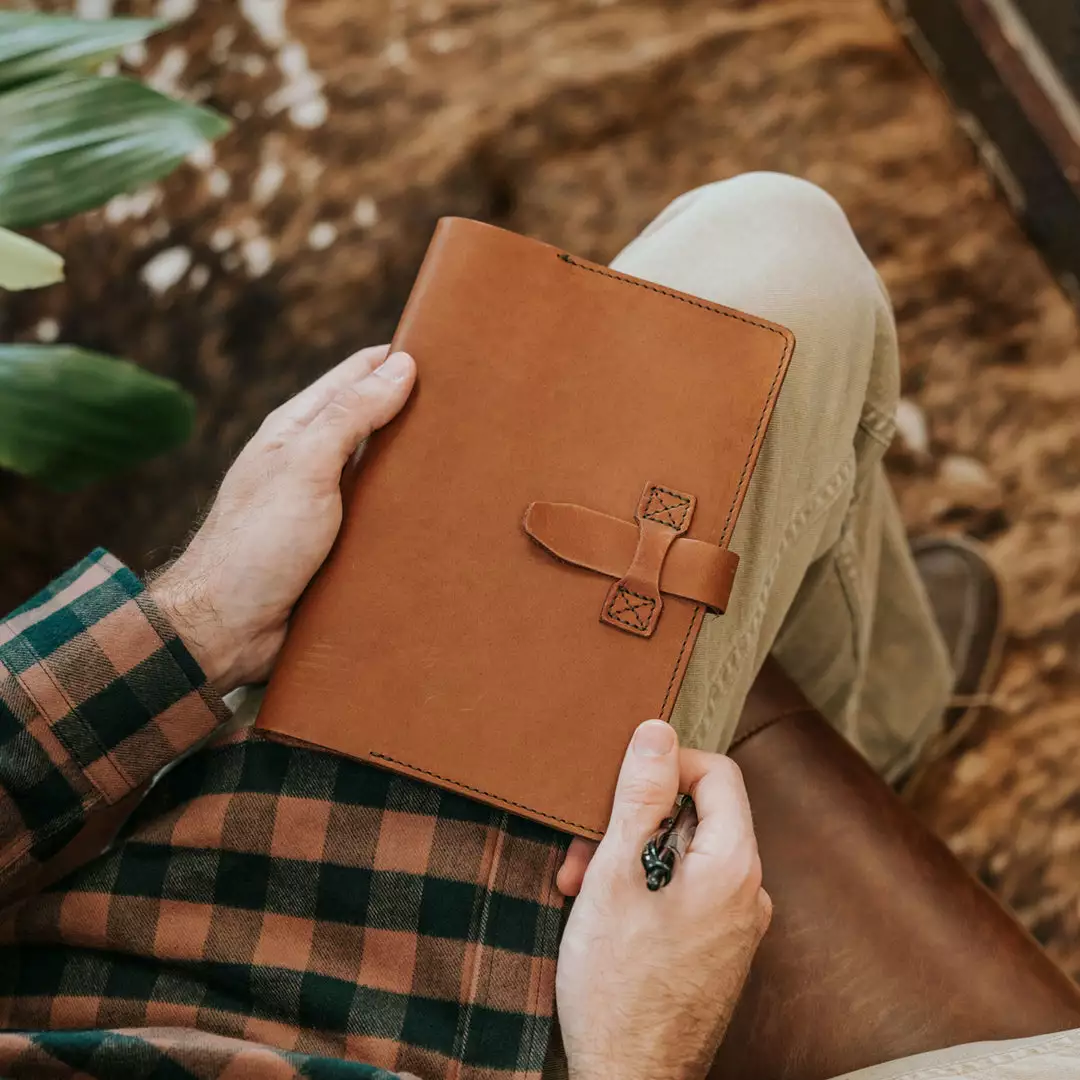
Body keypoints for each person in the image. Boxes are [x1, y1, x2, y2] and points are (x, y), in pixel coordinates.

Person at [1, 173, 1075, 1080]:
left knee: (780, 249)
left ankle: (887, 724)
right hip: (517, 1052)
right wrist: (634, 1052)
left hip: (233, 867)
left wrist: (196, 620)